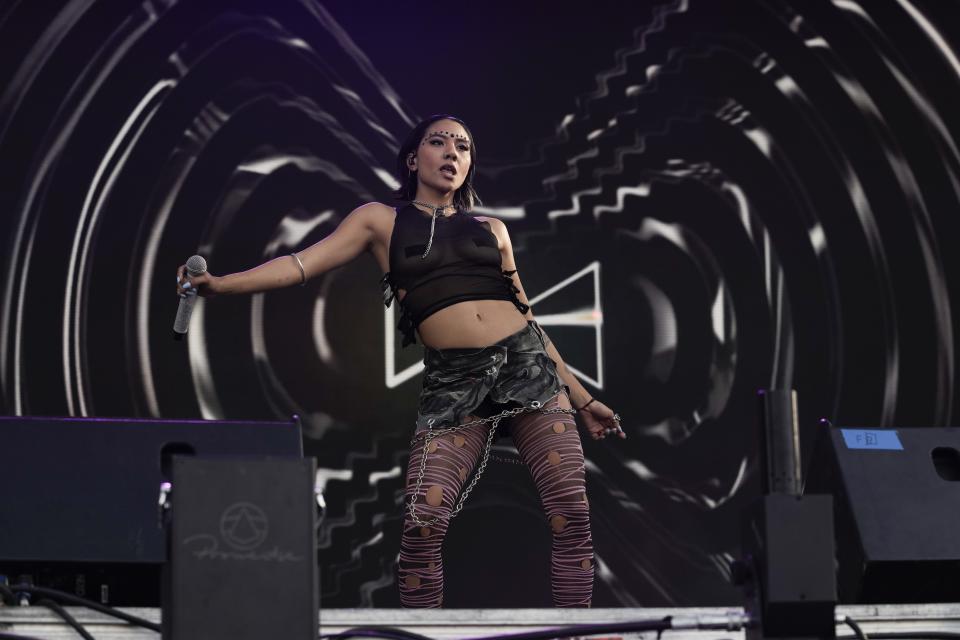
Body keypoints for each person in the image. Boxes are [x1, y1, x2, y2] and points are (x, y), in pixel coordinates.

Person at [175, 114, 625, 608]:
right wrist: (220, 284)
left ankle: (573, 631)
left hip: (528, 368)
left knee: (570, 514)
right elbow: (300, 264)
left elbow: (529, 319)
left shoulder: (491, 228)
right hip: (455, 381)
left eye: (464, 146)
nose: (453, 152)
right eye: (439, 142)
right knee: (421, 524)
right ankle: (423, 631)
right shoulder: (378, 220)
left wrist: (583, 399)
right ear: (414, 159)